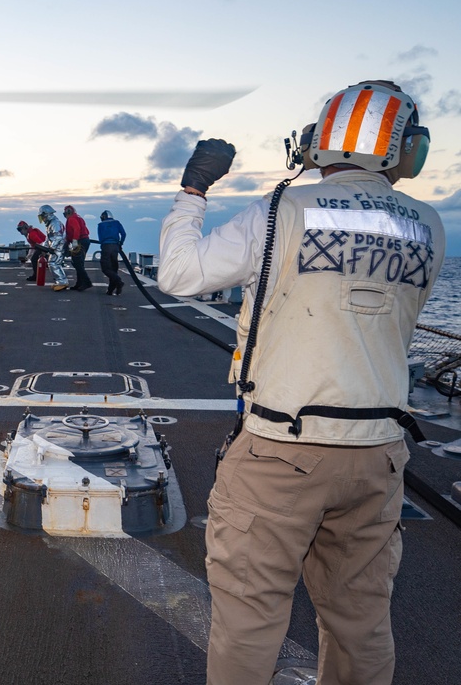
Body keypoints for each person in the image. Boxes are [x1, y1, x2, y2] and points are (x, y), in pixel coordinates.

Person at [157, 81, 445, 685]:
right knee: (360, 621)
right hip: (379, 456)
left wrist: (193, 192)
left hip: (281, 450)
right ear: (403, 150)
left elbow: (179, 275)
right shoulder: (429, 226)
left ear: (317, 142)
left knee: (250, 617)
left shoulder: (284, 209)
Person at [37, 205, 68, 291]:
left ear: (46, 214)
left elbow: (58, 236)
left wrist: (52, 247)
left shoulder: (55, 223)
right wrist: (44, 247)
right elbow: (48, 238)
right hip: (57, 246)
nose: (42, 219)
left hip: (59, 247)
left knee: (53, 263)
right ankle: (60, 281)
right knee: (54, 263)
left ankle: (62, 282)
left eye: (42, 216)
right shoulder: (51, 224)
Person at [96, 210, 126, 295]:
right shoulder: (117, 223)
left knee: (106, 268)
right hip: (115, 246)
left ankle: (119, 282)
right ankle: (111, 290)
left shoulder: (101, 225)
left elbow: (100, 237)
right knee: (113, 268)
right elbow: (123, 234)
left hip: (106, 246)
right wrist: (120, 243)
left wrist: (103, 244)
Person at [63, 205, 92, 290]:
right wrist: (68, 242)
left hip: (80, 241)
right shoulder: (78, 218)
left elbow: (76, 229)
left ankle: (87, 282)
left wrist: (74, 240)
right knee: (78, 263)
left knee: (77, 263)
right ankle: (79, 283)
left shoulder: (72, 219)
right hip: (84, 241)